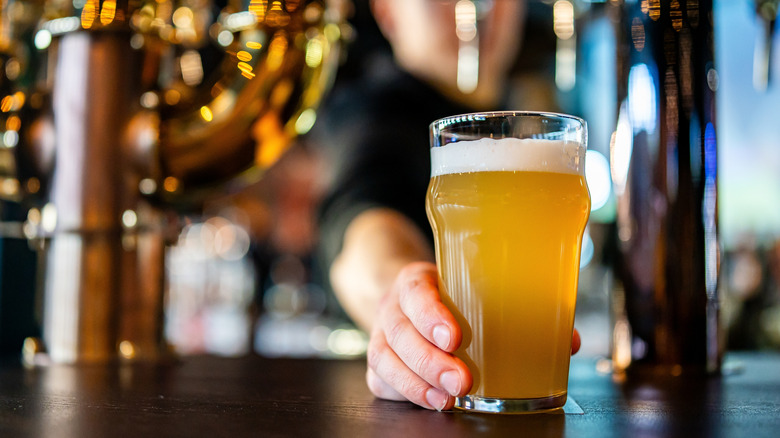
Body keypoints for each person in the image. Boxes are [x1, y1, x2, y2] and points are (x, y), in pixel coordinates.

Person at [313, 0, 580, 411]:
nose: (475, 7)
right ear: (387, 13)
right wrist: (404, 299)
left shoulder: (535, 116)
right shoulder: (376, 110)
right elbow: (363, 224)